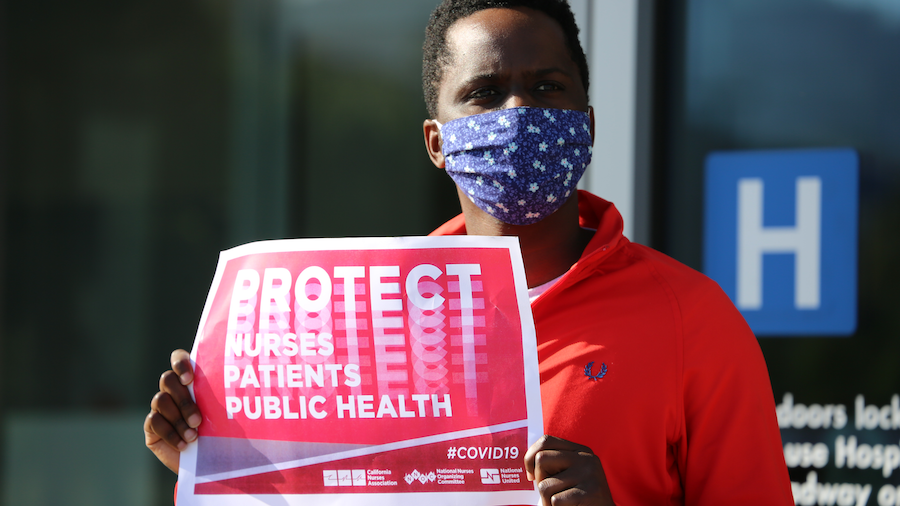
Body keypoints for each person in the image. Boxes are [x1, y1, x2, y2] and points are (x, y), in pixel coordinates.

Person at [144, 1, 794, 504]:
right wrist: (212, 462)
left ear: (587, 125)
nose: (518, 113)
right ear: (436, 141)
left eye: (546, 89)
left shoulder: (691, 320)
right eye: (484, 93)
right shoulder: (357, 324)